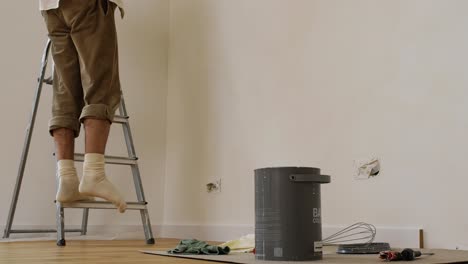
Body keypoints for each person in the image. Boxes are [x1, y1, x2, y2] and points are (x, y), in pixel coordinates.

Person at [39, 0, 127, 213]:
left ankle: (67, 178)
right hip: (87, 3)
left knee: (65, 89)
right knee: (100, 86)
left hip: (50, 7)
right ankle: (94, 174)